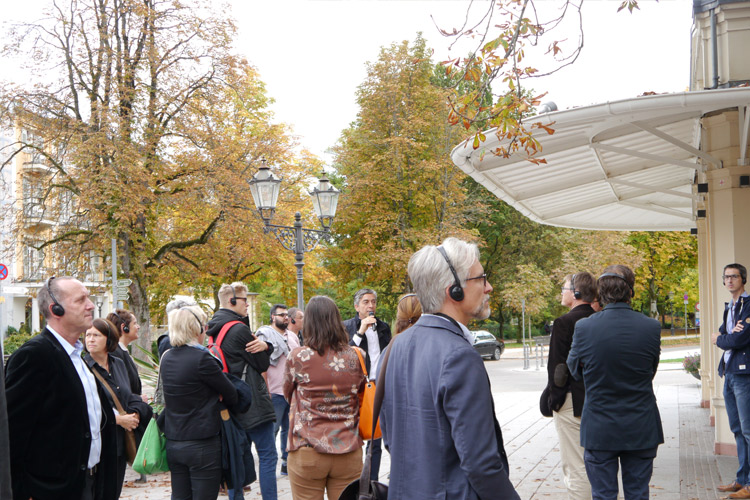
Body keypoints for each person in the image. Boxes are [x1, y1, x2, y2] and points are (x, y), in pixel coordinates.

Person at [380, 238, 519, 500]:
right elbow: (480, 463)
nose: (489, 287)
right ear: (453, 290)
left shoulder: (394, 347)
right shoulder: (460, 356)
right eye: (481, 278)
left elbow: (391, 438)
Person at [5, 276, 118, 500]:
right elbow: (12, 434)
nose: (91, 305)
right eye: (81, 300)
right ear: (55, 309)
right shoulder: (34, 356)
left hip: (90, 484)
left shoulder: (79, 357)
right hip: (52, 491)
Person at [567, 265, 663, 500]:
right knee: (638, 494)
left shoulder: (584, 327)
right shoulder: (651, 327)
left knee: (602, 495)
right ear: (631, 292)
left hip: (600, 427)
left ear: (600, 293)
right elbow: (650, 370)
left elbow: (573, 370)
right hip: (640, 425)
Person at [284, 295, 366, 500]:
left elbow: (288, 394)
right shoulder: (356, 356)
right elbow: (361, 392)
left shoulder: (297, 357)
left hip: (308, 448)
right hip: (348, 447)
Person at [206, 282, 277, 500]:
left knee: (236, 460)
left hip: (230, 403)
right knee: (267, 455)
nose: (248, 304)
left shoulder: (213, 331)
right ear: (232, 301)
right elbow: (263, 363)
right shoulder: (238, 329)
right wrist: (267, 347)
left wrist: (265, 345)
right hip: (252, 402)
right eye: (245, 300)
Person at [160, 305, 239, 500]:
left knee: (179, 496)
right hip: (202, 441)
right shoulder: (203, 358)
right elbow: (231, 394)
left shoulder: (167, 357)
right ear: (197, 328)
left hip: (174, 441)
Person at [84, 318, 152, 498]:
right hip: (97, 444)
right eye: (88, 334)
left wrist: (135, 414)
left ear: (109, 339)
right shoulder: (83, 368)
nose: (90, 339)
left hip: (120, 443)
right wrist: (117, 419)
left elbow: (130, 396)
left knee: (113, 492)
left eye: (96, 335)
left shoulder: (118, 363)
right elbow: (83, 408)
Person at [543, 272, 597, 500]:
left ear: (576, 293)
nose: (561, 292)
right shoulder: (598, 319)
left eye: (564, 288)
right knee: (596, 464)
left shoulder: (564, 322)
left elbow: (558, 368)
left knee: (575, 466)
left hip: (572, 402)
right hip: (598, 401)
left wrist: (554, 401)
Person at [343, 288, 391, 481]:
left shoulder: (383, 327)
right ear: (357, 306)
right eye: (365, 302)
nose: (371, 306)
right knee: (354, 434)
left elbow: (387, 353)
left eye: (373, 302)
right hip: (357, 388)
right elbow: (345, 355)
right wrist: (361, 331)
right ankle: (353, 479)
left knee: (375, 437)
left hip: (378, 386)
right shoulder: (347, 326)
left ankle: (371, 481)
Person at [711, 263, 750, 498]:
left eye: (734, 276)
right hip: (729, 373)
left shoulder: (748, 305)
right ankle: (741, 479)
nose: (729, 281)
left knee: (748, 430)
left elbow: (739, 340)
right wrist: (726, 335)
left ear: (742, 279)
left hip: (744, 375)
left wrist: (724, 337)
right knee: (736, 429)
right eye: (726, 277)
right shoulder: (731, 307)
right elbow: (722, 335)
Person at [255, 304, 300, 476]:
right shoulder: (264, 335)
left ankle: (286, 464)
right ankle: (266, 465)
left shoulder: (293, 336)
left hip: (292, 391)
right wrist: (264, 387)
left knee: (289, 430)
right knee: (271, 430)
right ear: (273, 316)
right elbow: (261, 364)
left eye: (287, 314)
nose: (286, 317)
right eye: (282, 315)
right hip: (274, 390)